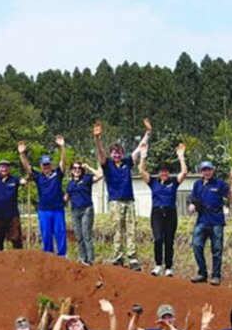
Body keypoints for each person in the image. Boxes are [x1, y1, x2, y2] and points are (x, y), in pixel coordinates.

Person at [93, 119, 151, 270]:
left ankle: (132, 259)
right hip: (115, 202)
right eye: (113, 152)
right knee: (117, 230)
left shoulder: (127, 162)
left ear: (122, 153)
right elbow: (100, 154)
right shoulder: (107, 165)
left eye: (118, 152)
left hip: (129, 201)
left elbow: (140, 148)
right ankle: (118, 257)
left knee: (131, 230)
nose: (116, 154)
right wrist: (97, 138)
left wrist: (148, 133)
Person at [138, 142, 187, 277]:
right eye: (161, 171)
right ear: (159, 173)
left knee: (169, 240)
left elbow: (184, 172)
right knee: (158, 238)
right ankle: (158, 265)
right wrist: (143, 156)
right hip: (157, 213)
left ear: (168, 173)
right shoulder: (153, 182)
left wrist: (181, 157)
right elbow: (141, 171)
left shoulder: (173, 182)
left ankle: (169, 268)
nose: (164, 173)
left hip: (171, 212)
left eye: (166, 171)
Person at [188, 161, 232, 286]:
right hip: (201, 221)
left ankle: (216, 276)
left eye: (209, 170)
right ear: (201, 171)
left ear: (213, 171)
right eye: (204, 170)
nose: (207, 172)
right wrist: (192, 205)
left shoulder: (219, 183)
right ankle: (202, 273)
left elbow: (231, 197)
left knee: (217, 250)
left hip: (216, 222)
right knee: (197, 246)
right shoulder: (197, 184)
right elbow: (193, 199)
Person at [19, 137, 68, 256]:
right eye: (44, 165)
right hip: (44, 210)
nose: (46, 167)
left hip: (57, 210)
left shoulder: (57, 174)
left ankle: (62, 256)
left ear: (51, 164)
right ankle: (48, 255)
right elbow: (27, 168)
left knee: (60, 233)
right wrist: (22, 154)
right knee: (46, 234)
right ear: (41, 166)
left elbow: (63, 162)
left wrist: (62, 147)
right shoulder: (38, 176)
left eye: (48, 164)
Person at [65, 159, 104, 265]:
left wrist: (88, 167)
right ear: (72, 171)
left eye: (79, 168)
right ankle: (83, 258)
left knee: (86, 234)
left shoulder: (86, 179)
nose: (77, 170)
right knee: (79, 236)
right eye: (74, 168)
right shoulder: (70, 184)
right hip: (74, 211)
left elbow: (100, 175)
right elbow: (66, 198)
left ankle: (91, 259)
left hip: (87, 209)